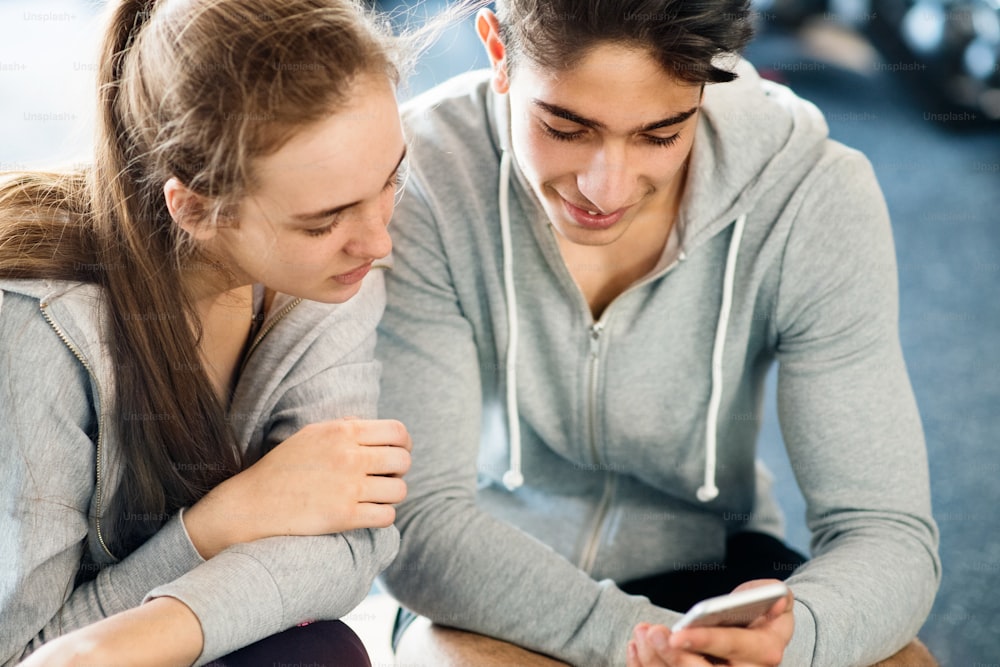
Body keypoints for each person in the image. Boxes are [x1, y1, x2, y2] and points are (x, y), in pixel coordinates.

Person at [375, 1, 941, 665]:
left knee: (905, 660)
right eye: (566, 125)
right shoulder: (421, 178)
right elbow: (421, 525)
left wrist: (802, 636)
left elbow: (887, 532)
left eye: (661, 134)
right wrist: (632, 641)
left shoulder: (812, 193)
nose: (604, 188)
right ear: (499, 53)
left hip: (709, 556)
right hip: (493, 566)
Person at [0, 0, 415, 664]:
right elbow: (28, 653)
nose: (378, 239)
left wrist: (153, 628)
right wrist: (222, 522)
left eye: (391, 179)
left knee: (317, 650)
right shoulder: (37, 330)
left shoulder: (331, 278)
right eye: (322, 221)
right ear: (194, 208)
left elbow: (350, 541)